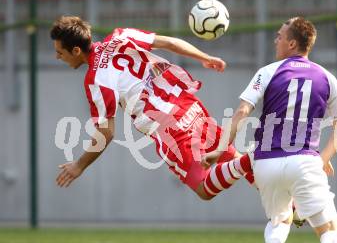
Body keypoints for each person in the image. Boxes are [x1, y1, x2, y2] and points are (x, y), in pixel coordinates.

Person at [202, 17, 337, 243]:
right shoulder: (327, 77)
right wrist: (324, 158)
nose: (276, 40)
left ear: (292, 43)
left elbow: (242, 113)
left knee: (279, 218)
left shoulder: (267, 72)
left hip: (265, 162)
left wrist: (220, 149)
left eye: (280, 36)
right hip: (304, 161)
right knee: (329, 231)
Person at [51, 15, 254, 200]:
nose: (58, 57)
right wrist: (205, 57)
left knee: (203, 187)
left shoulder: (96, 79)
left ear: (76, 50)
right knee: (232, 157)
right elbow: (170, 43)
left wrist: (79, 165)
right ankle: (285, 205)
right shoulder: (120, 35)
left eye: (60, 52)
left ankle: (252, 158)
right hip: (188, 105)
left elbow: (106, 132)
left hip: (168, 127)